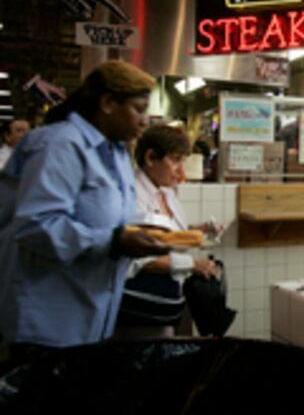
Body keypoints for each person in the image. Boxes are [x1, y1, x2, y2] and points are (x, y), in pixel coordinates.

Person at [0, 60, 171, 358]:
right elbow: (37, 225)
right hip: (47, 326)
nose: (144, 121)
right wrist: (114, 241)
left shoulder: (115, 153)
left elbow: (109, 217)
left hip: (91, 320)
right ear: (107, 103)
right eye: (138, 109)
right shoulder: (60, 145)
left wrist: (140, 231)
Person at [116, 124, 219, 338]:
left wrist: (199, 230)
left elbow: (167, 233)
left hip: (170, 297)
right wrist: (193, 264)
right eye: (175, 160)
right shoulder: (131, 195)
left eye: (183, 161)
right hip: (143, 302)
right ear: (151, 158)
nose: (181, 172)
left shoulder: (166, 191)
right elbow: (142, 260)